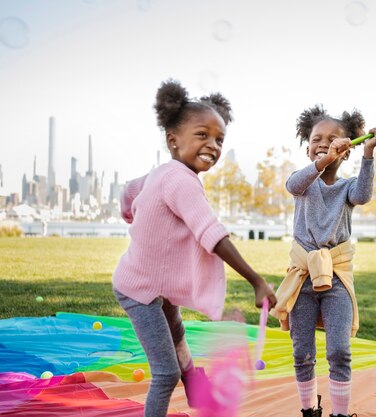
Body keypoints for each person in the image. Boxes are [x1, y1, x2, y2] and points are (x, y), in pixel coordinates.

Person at [112, 79, 277, 417]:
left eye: (219, 139)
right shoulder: (179, 180)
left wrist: (131, 212)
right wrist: (256, 280)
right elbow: (212, 234)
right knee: (164, 372)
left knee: (177, 332)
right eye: (202, 135)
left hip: (159, 284)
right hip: (138, 290)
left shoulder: (164, 172)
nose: (213, 146)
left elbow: (131, 190)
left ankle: (195, 387)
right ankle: (180, 386)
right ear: (174, 141)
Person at [271, 105, 376, 417]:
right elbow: (293, 185)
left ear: (347, 149)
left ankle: (339, 413)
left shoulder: (346, 187)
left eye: (333, 139)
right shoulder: (304, 182)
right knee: (303, 353)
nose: (323, 143)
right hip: (303, 279)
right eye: (316, 139)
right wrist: (324, 161)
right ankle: (309, 410)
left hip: (336, 278)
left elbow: (363, 194)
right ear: (307, 146)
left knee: (339, 350)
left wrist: (368, 152)